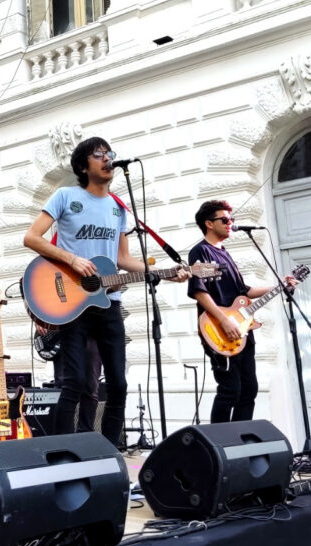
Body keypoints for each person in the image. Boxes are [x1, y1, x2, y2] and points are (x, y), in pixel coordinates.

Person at [24, 137, 188, 446]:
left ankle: (111, 453)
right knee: (74, 381)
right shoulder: (65, 196)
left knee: (118, 384)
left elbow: (122, 259)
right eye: (98, 154)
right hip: (71, 304)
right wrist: (71, 259)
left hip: (108, 302)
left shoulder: (118, 208)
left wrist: (165, 272)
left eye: (109, 153)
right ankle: (58, 453)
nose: (107, 158)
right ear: (83, 166)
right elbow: (32, 237)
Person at [187, 200, 298, 424]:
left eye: (232, 219)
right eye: (225, 220)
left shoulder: (225, 254)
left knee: (249, 389)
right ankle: (219, 440)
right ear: (209, 223)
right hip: (218, 329)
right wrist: (224, 320)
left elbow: (245, 292)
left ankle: (239, 437)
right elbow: (199, 291)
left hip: (242, 330)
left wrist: (280, 285)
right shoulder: (200, 251)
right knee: (230, 389)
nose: (230, 223)